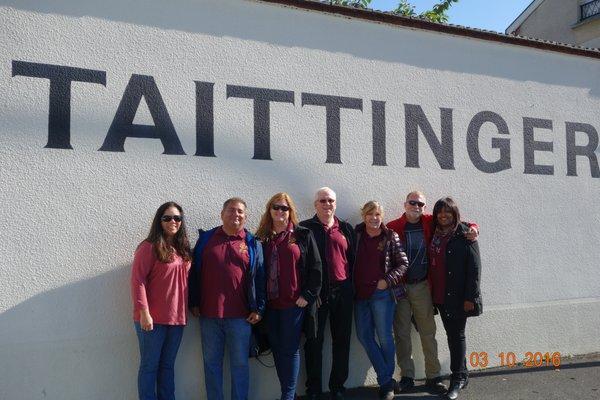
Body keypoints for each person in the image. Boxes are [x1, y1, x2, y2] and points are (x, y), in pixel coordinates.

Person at [387, 191, 478, 394]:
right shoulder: (393, 226)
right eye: (412, 202)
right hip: (400, 287)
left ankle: (433, 376)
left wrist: (474, 228)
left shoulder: (430, 222)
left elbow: (459, 221)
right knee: (402, 333)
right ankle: (407, 377)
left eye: (420, 204)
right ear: (405, 204)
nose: (416, 206)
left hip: (422, 287)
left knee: (428, 332)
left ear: (425, 208)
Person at [188, 197, 266, 400]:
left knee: (240, 365)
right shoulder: (206, 239)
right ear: (222, 214)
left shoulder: (251, 243)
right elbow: (194, 273)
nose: (235, 214)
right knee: (211, 365)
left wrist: (259, 308)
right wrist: (194, 302)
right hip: (209, 315)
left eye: (240, 211)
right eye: (231, 210)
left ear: (245, 217)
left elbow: (260, 277)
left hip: (241, 317)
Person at [256, 193, 322, 400]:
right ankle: (289, 394)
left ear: (290, 211)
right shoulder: (261, 238)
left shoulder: (302, 235)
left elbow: (316, 267)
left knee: (290, 349)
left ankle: (287, 396)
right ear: (270, 210)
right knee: (276, 350)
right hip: (270, 305)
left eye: (284, 208)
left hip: (293, 304)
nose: (279, 211)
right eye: (275, 207)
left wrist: (308, 295)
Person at [131, 202, 192, 400]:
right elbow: (137, 280)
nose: (172, 221)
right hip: (152, 320)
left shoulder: (182, 250)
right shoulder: (148, 247)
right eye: (167, 218)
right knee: (150, 366)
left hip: (176, 320)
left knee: (167, 366)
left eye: (177, 218)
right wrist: (144, 312)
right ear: (160, 220)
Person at [300, 187, 356, 400]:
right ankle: (313, 389)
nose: (327, 204)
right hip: (316, 294)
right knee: (314, 342)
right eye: (322, 200)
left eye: (330, 200)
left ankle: (337, 386)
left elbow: (353, 259)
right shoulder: (305, 228)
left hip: (343, 291)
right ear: (315, 205)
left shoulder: (346, 229)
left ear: (335, 203)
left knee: (342, 341)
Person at [353, 201, 409, 400]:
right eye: (369, 214)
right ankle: (387, 380)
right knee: (364, 336)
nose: (374, 218)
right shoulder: (356, 234)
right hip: (360, 295)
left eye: (377, 214)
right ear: (363, 215)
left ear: (381, 216)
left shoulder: (390, 236)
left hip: (382, 295)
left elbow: (403, 264)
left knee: (385, 337)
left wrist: (387, 280)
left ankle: (386, 386)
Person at [428, 197, 482, 400]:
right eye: (440, 212)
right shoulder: (434, 234)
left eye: (447, 212)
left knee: (456, 336)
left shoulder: (465, 234)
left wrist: (470, 297)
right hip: (440, 296)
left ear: (454, 214)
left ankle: (457, 378)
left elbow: (475, 269)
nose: (443, 215)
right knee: (452, 334)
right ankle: (464, 374)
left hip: (459, 297)